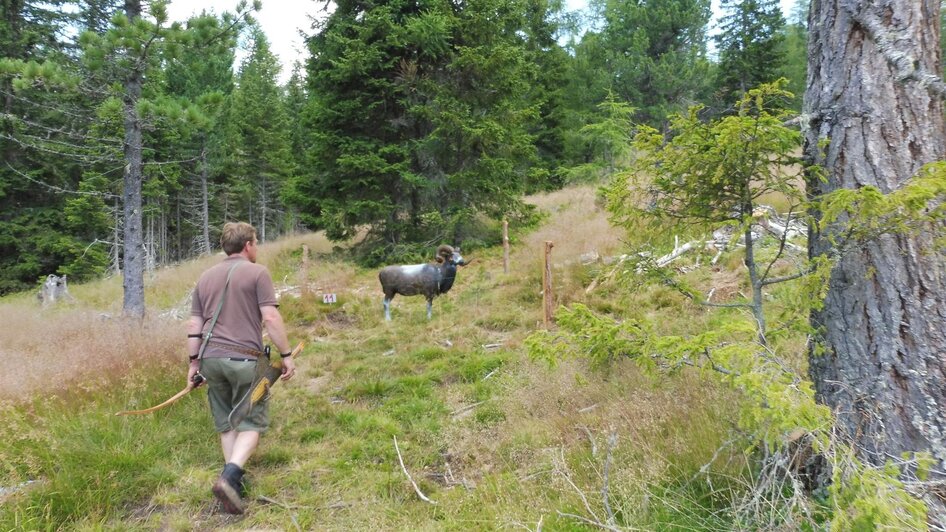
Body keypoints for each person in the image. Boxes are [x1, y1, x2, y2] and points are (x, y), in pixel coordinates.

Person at [186, 222, 296, 515]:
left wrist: (194, 363)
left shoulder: (205, 277)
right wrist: (286, 355)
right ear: (247, 245)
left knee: (227, 422)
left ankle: (233, 484)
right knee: (252, 422)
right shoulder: (257, 272)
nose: (256, 247)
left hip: (210, 360)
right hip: (245, 360)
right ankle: (230, 476)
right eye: (256, 242)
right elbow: (270, 317)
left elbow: (195, 324)